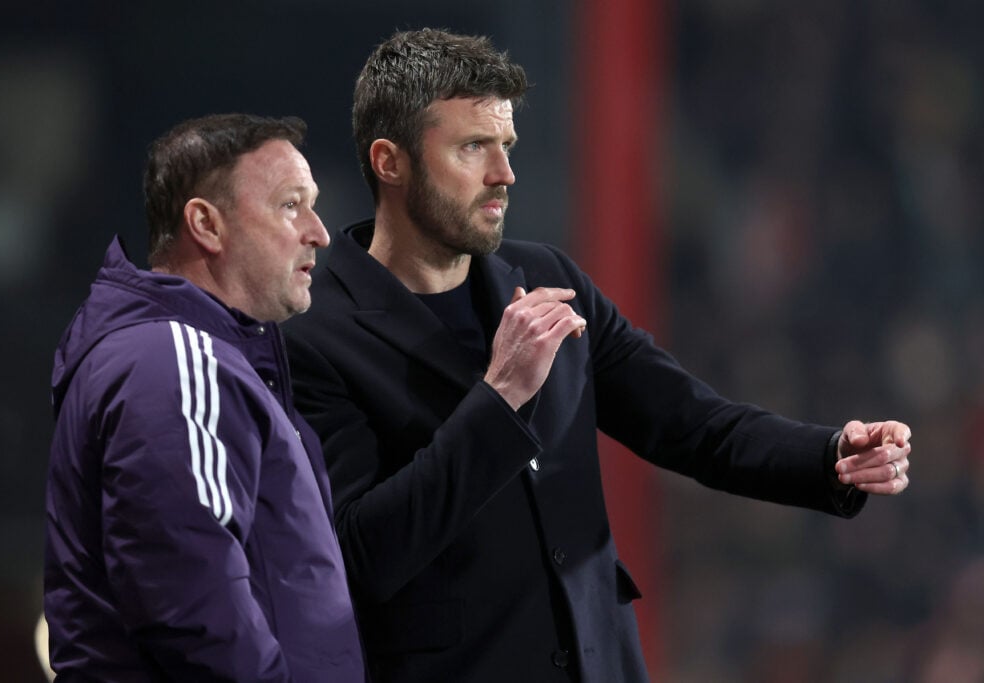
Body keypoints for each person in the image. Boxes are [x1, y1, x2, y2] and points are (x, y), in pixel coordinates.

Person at [281, 28, 912, 683]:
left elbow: (692, 424)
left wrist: (828, 454)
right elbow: (362, 553)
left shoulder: (546, 274)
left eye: (507, 146)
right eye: (473, 147)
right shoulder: (314, 335)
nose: (504, 174)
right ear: (390, 160)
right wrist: (498, 399)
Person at [44, 113, 366, 682]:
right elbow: (193, 605)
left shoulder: (201, 359)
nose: (318, 230)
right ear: (206, 224)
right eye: (291, 204)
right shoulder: (171, 362)